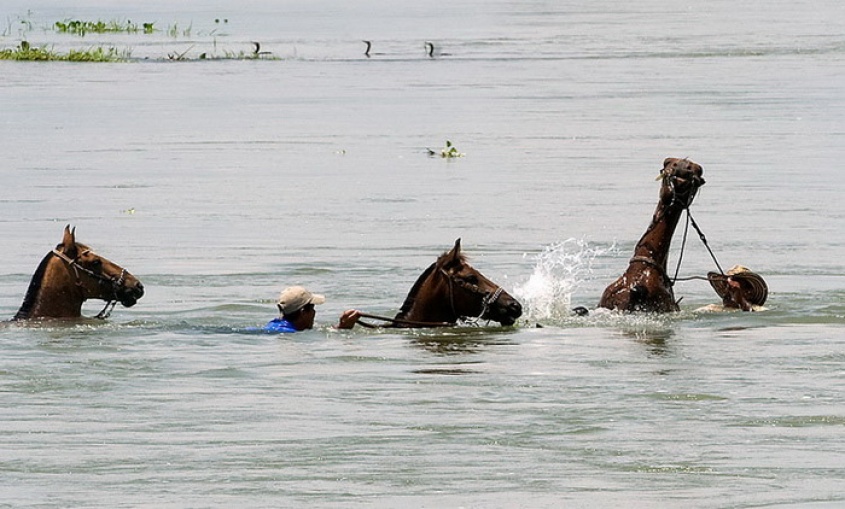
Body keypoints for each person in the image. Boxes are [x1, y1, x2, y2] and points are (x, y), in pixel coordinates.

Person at [261, 286, 360, 333]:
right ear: (303, 312)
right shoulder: (289, 333)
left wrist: (340, 327)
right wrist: (342, 329)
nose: (314, 312)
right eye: (312, 308)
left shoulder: (273, 325)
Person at [697, 265, 768, 312]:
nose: (728, 291)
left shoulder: (759, 310)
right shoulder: (712, 309)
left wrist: (740, 300)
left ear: (748, 292)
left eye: (734, 289)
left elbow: (750, 311)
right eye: (726, 286)